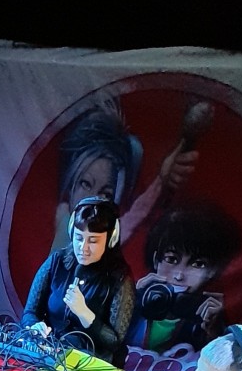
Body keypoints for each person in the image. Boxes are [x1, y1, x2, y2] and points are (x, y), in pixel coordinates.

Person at [50, 96, 200, 253]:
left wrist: (161, 180)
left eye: (105, 194)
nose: (92, 201)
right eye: (86, 184)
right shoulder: (65, 220)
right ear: (71, 184)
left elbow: (137, 213)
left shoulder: (104, 236)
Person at [22, 196, 135, 362]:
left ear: (111, 239)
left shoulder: (121, 279)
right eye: (79, 238)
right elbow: (30, 312)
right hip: (49, 354)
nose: (83, 248)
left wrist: (84, 313)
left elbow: (115, 342)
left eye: (93, 241)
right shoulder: (56, 262)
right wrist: (34, 326)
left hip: (90, 363)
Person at [126, 202, 242, 353]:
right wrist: (128, 303)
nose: (179, 275)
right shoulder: (131, 298)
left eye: (197, 264)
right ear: (156, 260)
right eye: (171, 259)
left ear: (212, 271)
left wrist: (214, 332)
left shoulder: (208, 318)